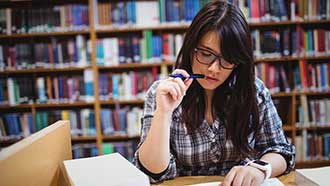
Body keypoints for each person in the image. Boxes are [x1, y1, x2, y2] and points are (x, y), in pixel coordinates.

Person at [132, 1, 295, 185]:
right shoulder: (162, 92)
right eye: (206, 54)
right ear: (191, 48)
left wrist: (260, 168)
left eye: (227, 59)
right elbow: (153, 172)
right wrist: (163, 113)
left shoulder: (254, 91)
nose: (214, 69)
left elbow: (282, 151)